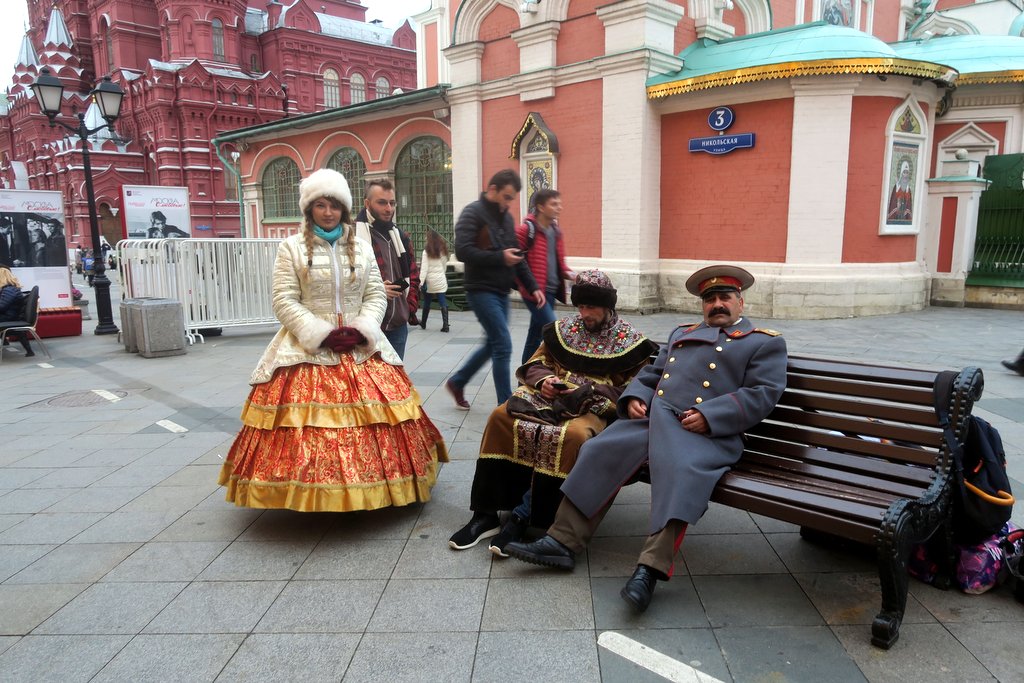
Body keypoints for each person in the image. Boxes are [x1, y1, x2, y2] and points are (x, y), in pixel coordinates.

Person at [505, 264, 788, 613]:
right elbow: (653, 373)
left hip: (707, 432)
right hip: (656, 420)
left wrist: (711, 416)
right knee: (599, 449)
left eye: (724, 297)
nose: (717, 304)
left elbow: (763, 393)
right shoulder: (683, 333)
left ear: (740, 302)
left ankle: (649, 570)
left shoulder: (763, 342)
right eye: (709, 299)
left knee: (681, 471)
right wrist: (635, 397)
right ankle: (561, 541)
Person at [217, 168, 448, 511]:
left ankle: (374, 488)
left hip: (360, 345)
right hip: (306, 348)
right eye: (321, 205)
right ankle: (312, 495)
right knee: (305, 426)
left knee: (382, 418)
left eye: (335, 206)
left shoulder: (362, 248)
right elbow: (283, 299)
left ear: (344, 208)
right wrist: (320, 333)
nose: (328, 213)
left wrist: (362, 328)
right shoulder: (291, 248)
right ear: (309, 208)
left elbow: (375, 294)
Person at [448, 270, 657, 556]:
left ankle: (533, 520)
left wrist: (589, 391)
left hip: (592, 405)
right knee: (500, 417)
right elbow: (535, 363)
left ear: (608, 306)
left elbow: (635, 388)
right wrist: (544, 381)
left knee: (573, 436)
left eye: (591, 307)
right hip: (546, 398)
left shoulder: (631, 342)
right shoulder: (563, 330)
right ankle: (485, 514)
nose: (584, 314)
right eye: (580, 306)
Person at [445, 169, 544, 409]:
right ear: (492, 190)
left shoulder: (506, 218)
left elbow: (516, 255)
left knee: (493, 343)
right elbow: (462, 251)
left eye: (512, 198)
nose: (509, 203)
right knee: (503, 344)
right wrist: (500, 257)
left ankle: (458, 381)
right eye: (506, 197)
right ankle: (505, 405)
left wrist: (532, 286)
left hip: (501, 290)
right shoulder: (472, 212)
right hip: (480, 290)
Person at [354, 179, 420, 359]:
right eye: (382, 202)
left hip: (398, 326)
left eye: (392, 203)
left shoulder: (400, 236)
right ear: (367, 203)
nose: (389, 208)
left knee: (395, 377)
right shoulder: (352, 236)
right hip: (367, 325)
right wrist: (377, 290)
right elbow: (343, 280)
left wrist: (409, 307)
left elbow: (413, 275)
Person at [517, 188, 574, 363]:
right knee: (553, 332)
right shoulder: (526, 230)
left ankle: (525, 372)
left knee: (534, 336)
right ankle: (567, 368)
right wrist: (531, 288)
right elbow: (516, 261)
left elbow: (560, 264)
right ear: (541, 207)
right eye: (554, 204)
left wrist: (574, 275)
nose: (559, 208)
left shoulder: (556, 232)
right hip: (534, 293)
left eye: (559, 204)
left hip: (550, 292)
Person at [419, 229, 451, 333]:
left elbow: (424, 268)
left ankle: (423, 323)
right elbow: (444, 265)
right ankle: (445, 325)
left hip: (430, 282)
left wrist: (420, 282)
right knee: (442, 301)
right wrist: (441, 274)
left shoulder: (426, 251)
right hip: (440, 279)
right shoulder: (443, 250)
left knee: (427, 301)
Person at [0, 265, 33, 356]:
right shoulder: (9, 289)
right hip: (9, 316)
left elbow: (2, 306)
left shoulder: (9, 290)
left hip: (8, 317)